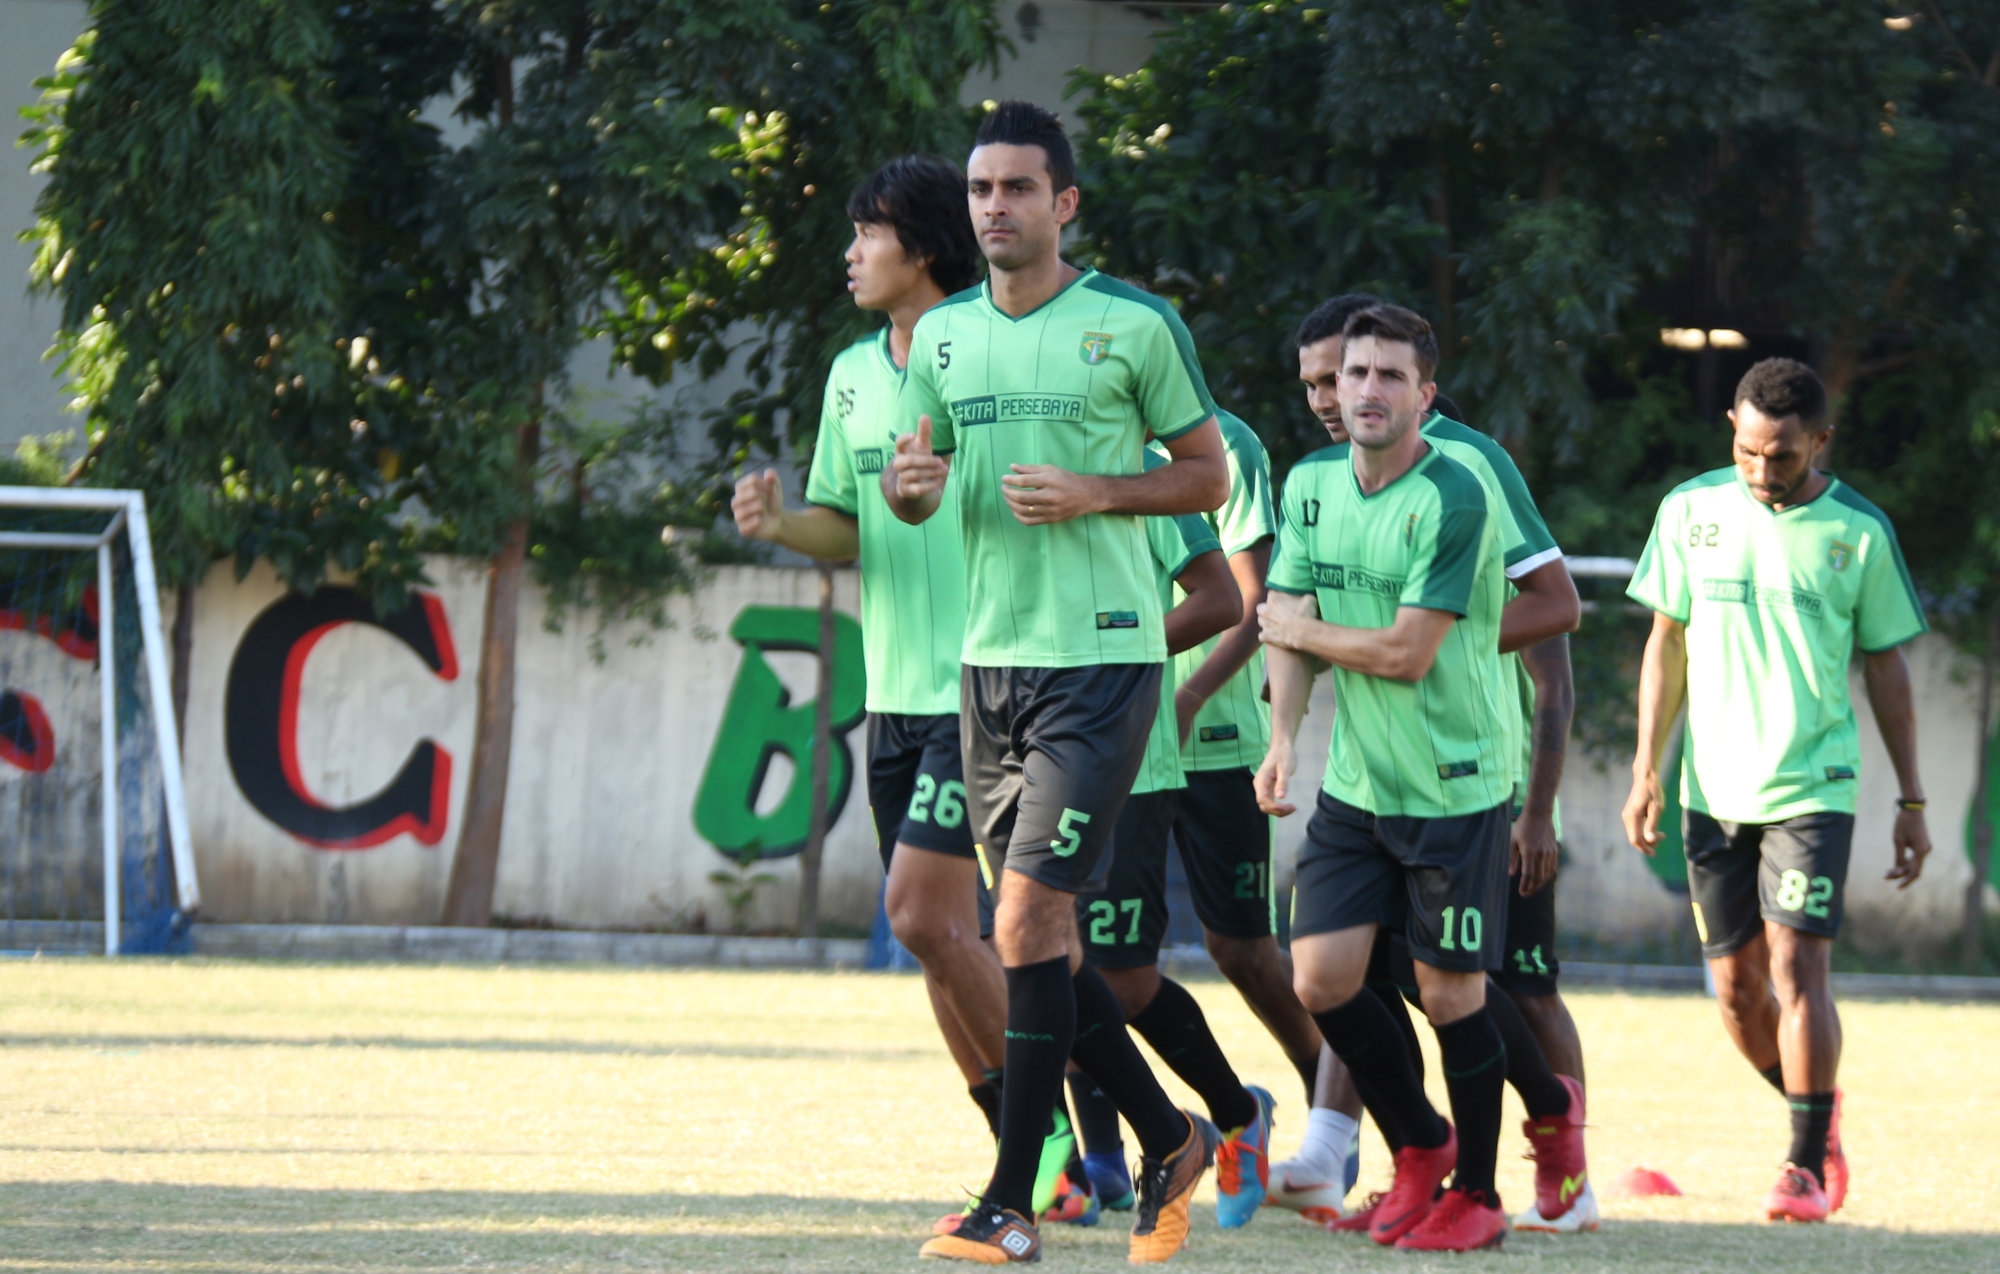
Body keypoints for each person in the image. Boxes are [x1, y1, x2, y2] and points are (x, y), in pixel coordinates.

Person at [887, 100, 1230, 1266]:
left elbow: (1204, 476)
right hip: (987, 667)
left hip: (1103, 659)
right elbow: (914, 481)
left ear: (1063, 202)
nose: (994, 207)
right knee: (1043, 945)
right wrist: (910, 485)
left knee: (1026, 922)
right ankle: (1167, 1130)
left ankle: (1010, 1202)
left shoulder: (1132, 324)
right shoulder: (939, 338)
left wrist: (1098, 490)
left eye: (1016, 188)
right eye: (980, 190)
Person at [734, 157, 1064, 1188]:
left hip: (986, 688)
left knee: (925, 916)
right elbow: (848, 524)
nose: (849, 253)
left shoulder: (989, 350)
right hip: (892, 693)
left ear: (918, 249)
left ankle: (1059, 1134)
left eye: (865, 233)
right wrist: (782, 522)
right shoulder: (848, 373)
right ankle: (1034, 1140)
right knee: (933, 934)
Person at [1274, 293, 1595, 1237]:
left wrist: (1433, 633)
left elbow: (1560, 610)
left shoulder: (1469, 472)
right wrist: (1290, 727)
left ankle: (1542, 1139)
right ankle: (1405, 1152)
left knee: (1471, 989)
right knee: (1346, 976)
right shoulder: (1321, 482)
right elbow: (1291, 622)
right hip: (1368, 776)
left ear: (1418, 387)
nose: (1336, 397)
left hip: (1469, 776)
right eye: (1324, 383)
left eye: (1356, 375)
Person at [1623, 357, 1932, 1224]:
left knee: (1797, 965)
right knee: (1734, 992)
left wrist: (1912, 801)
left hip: (1812, 787)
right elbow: (1666, 643)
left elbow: (1888, 666)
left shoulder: (1860, 533)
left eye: (1785, 457)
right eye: (1752, 451)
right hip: (1710, 789)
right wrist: (1648, 764)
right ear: (1732, 426)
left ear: (1820, 441)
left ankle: (1799, 1166)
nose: (1765, 472)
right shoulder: (1688, 511)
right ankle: (1816, 1117)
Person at [1072, 445, 1279, 1231]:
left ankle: (1227, 1117)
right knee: (1041, 955)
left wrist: (1113, 656)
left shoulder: (1146, 473)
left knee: (1116, 979)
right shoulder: (1007, 465)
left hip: (1134, 754)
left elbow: (1226, 601)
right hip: (1036, 748)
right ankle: (1085, 1160)